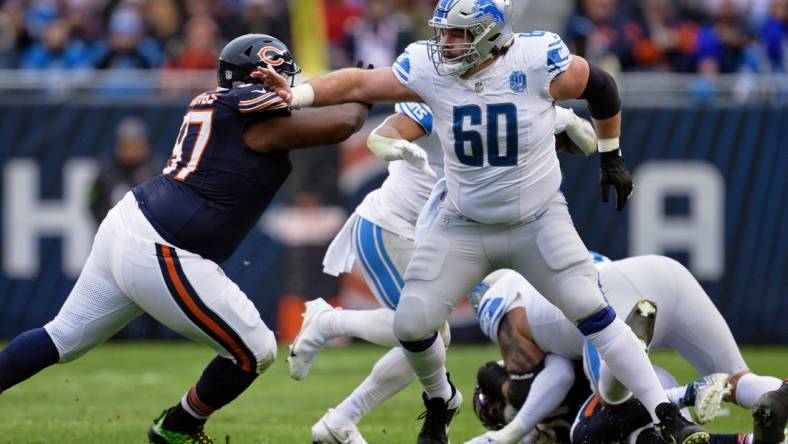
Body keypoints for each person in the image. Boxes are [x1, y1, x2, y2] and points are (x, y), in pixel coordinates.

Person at [253, 0, 703, 442]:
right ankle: (436, 403)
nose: (444, 43)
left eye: (457, 34)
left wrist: (610, 156)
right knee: (413, 326)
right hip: (457, 223)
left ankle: (667, 414)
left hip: (535, 221)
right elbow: (360, 84)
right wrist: (298, 94)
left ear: (490, 35)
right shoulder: (431, 72)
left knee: (594, 313)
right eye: (442, 31)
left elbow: (600, 87)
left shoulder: (535, 60)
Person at [0, 34, 369, 444]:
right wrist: (363, 90)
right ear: (258, 77)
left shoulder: (219, 105)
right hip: (163, 245)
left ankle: (178, 425)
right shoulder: (247, 113)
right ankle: (178, 426)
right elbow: (344, 123)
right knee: (256, 349)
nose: (288, 83)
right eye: (280, 75)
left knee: (62, 337)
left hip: (132, 222)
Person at [292, 101, 596, 444]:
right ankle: (332, 329)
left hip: (433, 235)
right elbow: (387, 131)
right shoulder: (444, 94)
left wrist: (567, 122)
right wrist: (391, 142)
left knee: (429, 339)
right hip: (391, 227)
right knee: (424, 337)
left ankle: (343, 418)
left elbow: (587, 140)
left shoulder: (514, 99)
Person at [464, 255, 785, 444]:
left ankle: (653, 362)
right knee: (738, 379)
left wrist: (510, 432)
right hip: (660, 271)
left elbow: (545, 381)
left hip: (607, 302)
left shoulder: (501, 303)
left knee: (604, 411)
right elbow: (557, 371)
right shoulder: (548, 268)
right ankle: (776, 402)